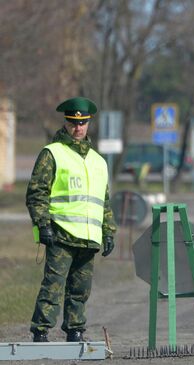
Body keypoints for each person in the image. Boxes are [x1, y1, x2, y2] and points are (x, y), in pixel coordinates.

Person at [26, 97, 117, 342]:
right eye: (73, 122)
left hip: (89, 237)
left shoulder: (99, 161)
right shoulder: (52, 153)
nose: (78, 127)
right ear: (66, 122)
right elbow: (37, 193)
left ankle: (75, 330)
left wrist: (108, 231)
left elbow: (104, 201)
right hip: (60, 233)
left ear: (89, 123)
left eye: (82, 122)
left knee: (80, 290)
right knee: (53, 286)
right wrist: (43, 224)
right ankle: (41, 330)